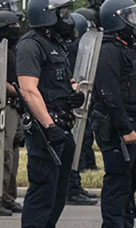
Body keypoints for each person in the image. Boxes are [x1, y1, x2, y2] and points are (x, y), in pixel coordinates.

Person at [16, 0, 85, 228]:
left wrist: (73, 93)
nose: (64, 16)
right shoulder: (30, 45)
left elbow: (64, 80)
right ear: (46, 15)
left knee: (56, 197)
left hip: (61, 127)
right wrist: (49, 125)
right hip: (46, 132)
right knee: (42, 195)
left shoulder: (54, 44)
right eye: (61, 11)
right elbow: (28, 89)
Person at [92, 0, 136, 228]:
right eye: (130, 15)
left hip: (128, 123)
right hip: (117, 129)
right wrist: (125, 127)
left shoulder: (126, 47)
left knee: (128, 183)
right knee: (118, 182)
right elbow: (110, 95)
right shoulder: (109, 50)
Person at [0, 10, 25, 216]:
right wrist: (17, 91)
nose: (16, 29)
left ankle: (9, 197)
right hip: (5, 105)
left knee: (14, 150)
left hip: (16, 105)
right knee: (3, 152)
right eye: (12, 26)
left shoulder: (13, 49)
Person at [64, 13, 98, 206]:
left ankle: (74, 185)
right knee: (76, 144)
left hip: (78, 99)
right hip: (73, 102)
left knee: (79, 144)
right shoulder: (73, 48)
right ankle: (72, 187)